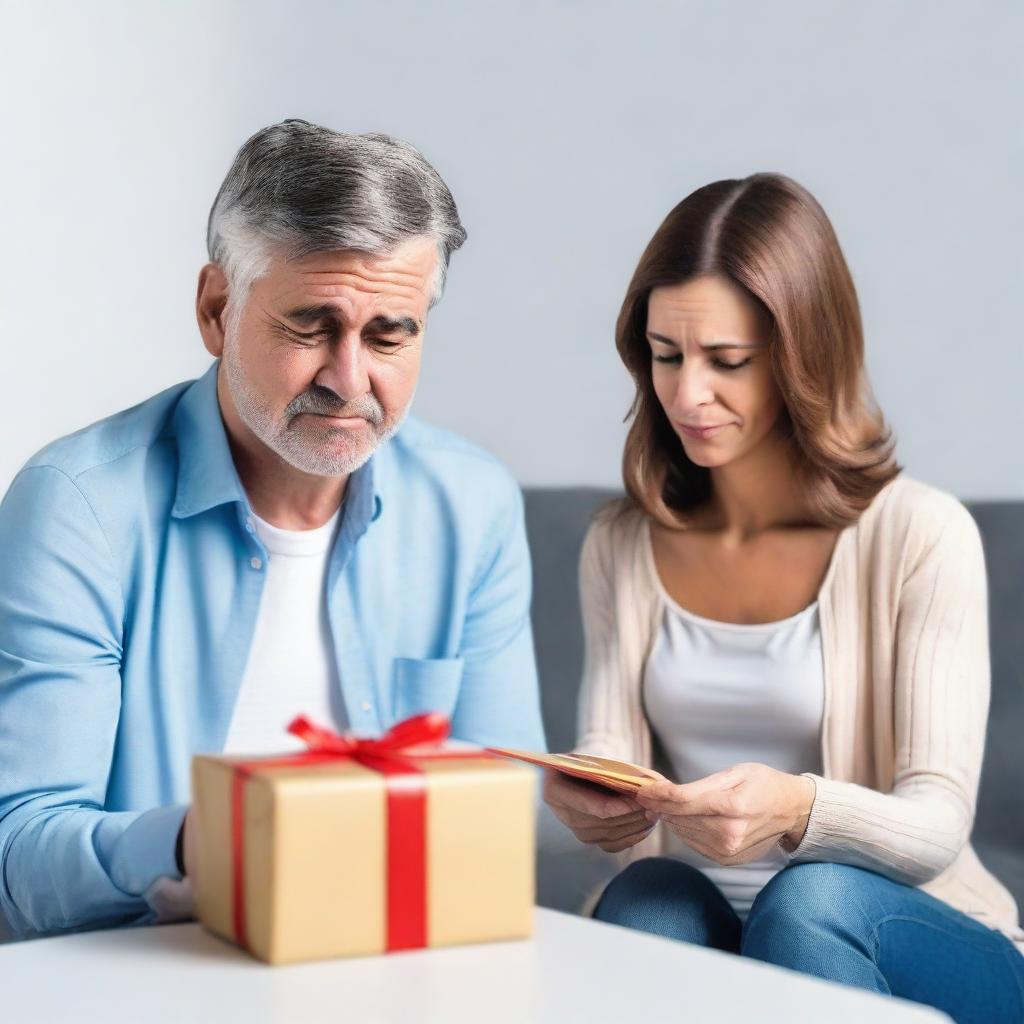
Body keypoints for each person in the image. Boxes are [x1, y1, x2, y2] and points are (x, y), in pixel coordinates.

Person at [0, 119, 545, 938]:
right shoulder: (77, 506)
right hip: (142, 979)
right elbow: (18, 859)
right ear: (218, 310)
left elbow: (508, 821)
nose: (349, 378)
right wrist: (202, 842)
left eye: (389, 335)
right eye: (311, 325)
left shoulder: (473, 505)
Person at [542, 173, 1024, 1022]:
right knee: (647, 899)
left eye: (728, 362)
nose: (688, 395)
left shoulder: (922, 536)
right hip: (710, 936)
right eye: (665, 355)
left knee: (808, 902)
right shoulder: (621, 541)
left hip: (913, 936)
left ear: (806, 357)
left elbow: (937, 825)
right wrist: (591, 802)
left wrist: (798, 807)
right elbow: (607, 750)